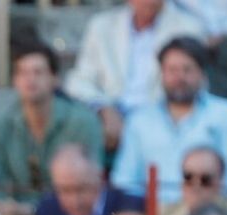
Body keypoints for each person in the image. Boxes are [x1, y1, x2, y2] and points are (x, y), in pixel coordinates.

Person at [110, 37, 227, 205]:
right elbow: (125, 181)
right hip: (153, 213)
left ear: (202, 73)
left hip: (209, 211)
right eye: (172, 70)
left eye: (187, 70)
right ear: (161, 74)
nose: (179, 77)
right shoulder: (139, 120)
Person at [0, 40, 104, 208]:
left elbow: (91, 183)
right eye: (23, 73)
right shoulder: (0, 125)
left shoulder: (82, 121)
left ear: (55, 78)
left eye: (38, 72)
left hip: (69, 211)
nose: (30, 79)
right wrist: (10, 210)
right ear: (15, 80)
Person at [62, 0, 204, 150]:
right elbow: (79, 80)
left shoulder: (188, 27)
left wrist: (141, 122)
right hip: (109, 117)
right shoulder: (102, 26)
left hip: (160, 120)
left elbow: (190, 84)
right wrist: (103, 108)